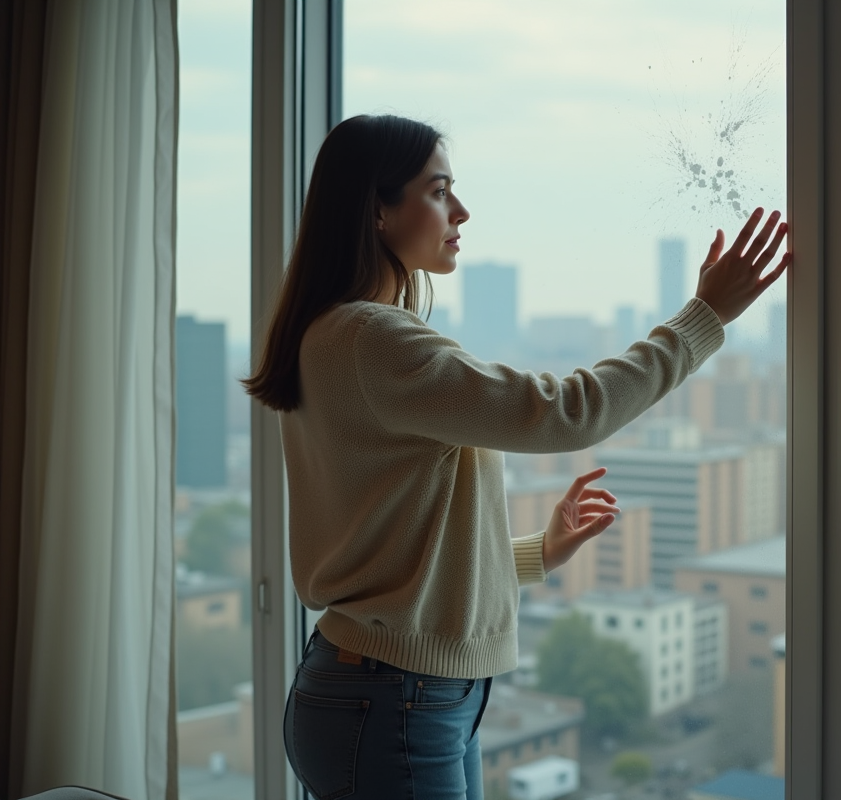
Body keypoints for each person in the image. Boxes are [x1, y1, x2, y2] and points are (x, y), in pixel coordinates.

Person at [242, 114, 789, 800]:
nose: (461, 210)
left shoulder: (342, 336)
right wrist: (703, 316)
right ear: (376, 210)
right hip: (392, 701)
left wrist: (535, 553)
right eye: (439, 190)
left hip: (395, 694)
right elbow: (567, 412)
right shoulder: (369, 340)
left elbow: (392, 542)